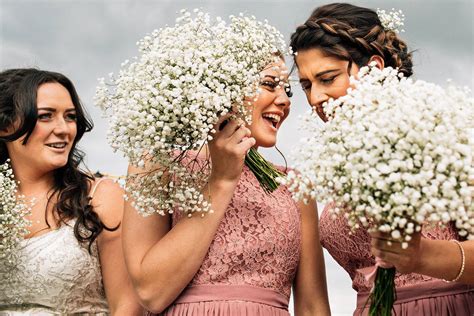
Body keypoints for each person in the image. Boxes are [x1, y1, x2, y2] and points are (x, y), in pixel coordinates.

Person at [290, 3, 474, 315]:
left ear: (374, 68)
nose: (315, 98)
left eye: (327, 78)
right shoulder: (341, 164)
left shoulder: (443, 137)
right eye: (307, 85)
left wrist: (421, 256)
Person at [122, 57, 331, 315]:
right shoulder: (158, 165)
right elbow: (150, 293)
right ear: (222, 88)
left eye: (287, 90)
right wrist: (221, 180)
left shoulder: (296, 187)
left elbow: (312, 307)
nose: (285, 100)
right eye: (269, 84)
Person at [0, 68, 143, 315]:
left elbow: (127, 306)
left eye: (70, 117)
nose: (64, 129)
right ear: (4, 125)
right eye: (46, 116)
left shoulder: (101, 197)